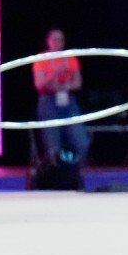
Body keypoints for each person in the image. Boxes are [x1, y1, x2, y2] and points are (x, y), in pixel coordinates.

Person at [32, 28, 89, 166]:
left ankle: (75, 171)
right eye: (55, 39)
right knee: (53, 147)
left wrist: (60, 85)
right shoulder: (41, 58)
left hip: (69, 101)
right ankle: (56, 175)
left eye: (61, 40)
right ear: (48, 41)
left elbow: (78, 83)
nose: (58, 42)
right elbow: (40, 85)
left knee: (82, 142)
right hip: (48, 103)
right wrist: (58, 71)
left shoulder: (70, 58)